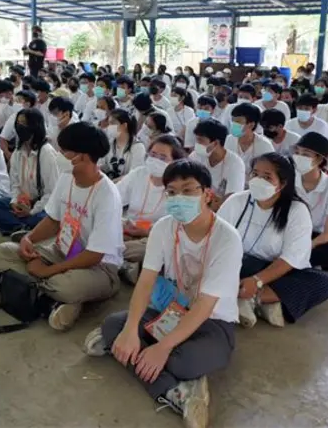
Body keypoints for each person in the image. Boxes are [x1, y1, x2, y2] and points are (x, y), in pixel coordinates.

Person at [84, 160, 241, 428]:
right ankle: (177, 391)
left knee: (183, 362)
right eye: (171, 192)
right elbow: (145, 281)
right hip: (170, 310)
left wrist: (163, 347)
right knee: (116, 325)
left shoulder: (227, 238)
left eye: (188, 190)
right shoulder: (164, 227)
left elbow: (205, 306)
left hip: (213, 322)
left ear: (208, 194)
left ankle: (161, 372)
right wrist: (132, 329)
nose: (179, 198)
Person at [0, 122, 122, 331]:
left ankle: (31, 289)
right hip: (62, 250)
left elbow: (95, 255)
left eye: (65, 151)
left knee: (66, 285)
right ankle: (53, 300)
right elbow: (53, 220)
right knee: (4, 253)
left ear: (83, 156)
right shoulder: (66, 177)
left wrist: (48, 271)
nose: (59, 155)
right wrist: (29, 239)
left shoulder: (107, 195)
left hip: (100, 268)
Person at [218, 153, 328, 328]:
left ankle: (250, 298)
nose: (258, 180)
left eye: (267, 177)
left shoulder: (296, 211)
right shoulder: (237, 201)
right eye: (255, 174)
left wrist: (257, 281)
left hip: (272, 270)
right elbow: (216, 239)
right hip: (238, 264)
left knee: (321, 282)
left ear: (283, 183)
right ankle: (255, 300)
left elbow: (291, 258)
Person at [118, 134, 187, 282]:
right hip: (128, 228)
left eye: (163, 158)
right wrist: (122, 222)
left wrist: (146, 230)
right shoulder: (138, 174)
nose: (156, 160)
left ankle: (116, 259)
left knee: (156, 249)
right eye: (153, 155)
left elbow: (176, 226)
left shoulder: (179, 187)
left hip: (154, 235)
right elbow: (114, 200)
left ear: (175, 162)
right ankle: (126, 264)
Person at [0, 108, 60, 236]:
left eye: (24, 124)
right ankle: (23, 228)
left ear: (35, 126)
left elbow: (52, 193)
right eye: (18, 123)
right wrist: (14, 201)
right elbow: (14, 184)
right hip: (23, 201)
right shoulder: (18, 151)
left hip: (41, 205)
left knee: (45, 217)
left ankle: (22, 226)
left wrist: (32, 211)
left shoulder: (46, 153)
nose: (20, 127)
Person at [292, 133, 328, 271]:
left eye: (306, 154)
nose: (299, 157)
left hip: (318, 236)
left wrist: (307, 246)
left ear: (319, 159)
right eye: (297, 152)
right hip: (293, 231)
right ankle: (298, 262)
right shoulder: (289, 178)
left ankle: (294, 261)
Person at [189, 119, 245, 211]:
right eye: (197, 140)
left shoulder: (235, 163)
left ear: (215, 143)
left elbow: (232, 197)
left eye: (201, 140)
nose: (197, 144)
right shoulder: (195, 156)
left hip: (221, 210)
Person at [225, 103, 274, 177]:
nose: (233, 124)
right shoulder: (227, 141)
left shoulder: (265, 145)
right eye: (232, 121)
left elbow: (270, 172)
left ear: (251, 125)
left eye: (238, 122)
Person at [100, 108, 145, 181]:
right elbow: (100, 165)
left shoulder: (138, 147)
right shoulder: (109, 142)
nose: (109, 127)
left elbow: (134, 175)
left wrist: (112, 183)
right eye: (108, 123)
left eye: (112, 123)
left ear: (124, 125)